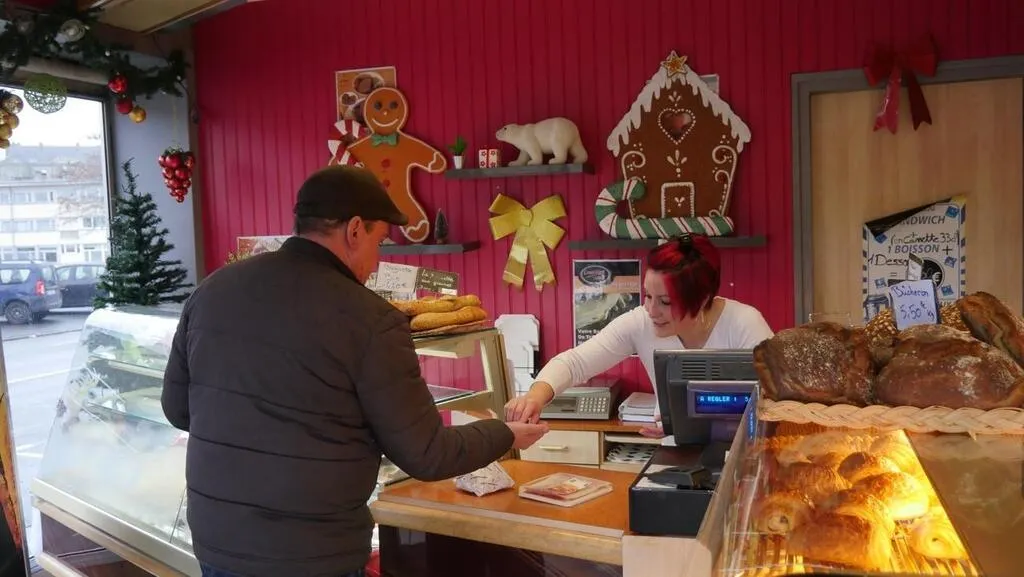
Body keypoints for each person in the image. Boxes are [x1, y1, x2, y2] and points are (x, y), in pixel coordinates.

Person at [162, 165, 549, 577]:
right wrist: (505, 433)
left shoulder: (212, 290)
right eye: (380, 241)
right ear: (354, 230)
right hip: (313, 554)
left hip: (217, 542)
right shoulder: (371, 320)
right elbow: (427, 454)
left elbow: (178, 409)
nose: (377, 258)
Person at [505, 233, 773, 437]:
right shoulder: (641, 322)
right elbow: (574, 363)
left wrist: (685, 427)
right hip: (675, 456)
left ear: (702, 298)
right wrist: (534, 397)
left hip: (745, 454)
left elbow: (774, 401)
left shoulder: (744, 324)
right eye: (647, 296)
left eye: (665, 302)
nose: (651, 310)